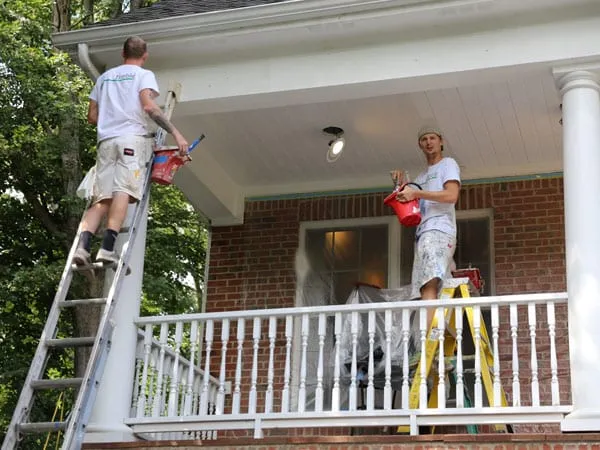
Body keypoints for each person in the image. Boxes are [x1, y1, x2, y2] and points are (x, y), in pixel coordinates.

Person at [73, 36, 189, 266]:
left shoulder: (104, 79)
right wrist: (176, 133)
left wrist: (112, 116)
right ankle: (107, 249)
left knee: (101, 197)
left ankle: (82, 248)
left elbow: (92, 117)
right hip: (130, 141)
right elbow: (149, 107)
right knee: (123, 191)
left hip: (106, 142)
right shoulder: (143, 75)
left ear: (122, 54)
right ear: (145, 56)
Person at [392, 126, 461, 306]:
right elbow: (406, 206)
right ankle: (434, 329)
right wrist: (399, 185)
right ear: (420, 145)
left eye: (432, 138)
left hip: (439, 229)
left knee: (429, 283)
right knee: (426, 287)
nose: (429, 142)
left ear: (441, 141)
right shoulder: (421, 177)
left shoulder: (448, 164)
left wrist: (417, 194)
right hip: (423, 234)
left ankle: (430, 333)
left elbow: (451, 195)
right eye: (424, 139)